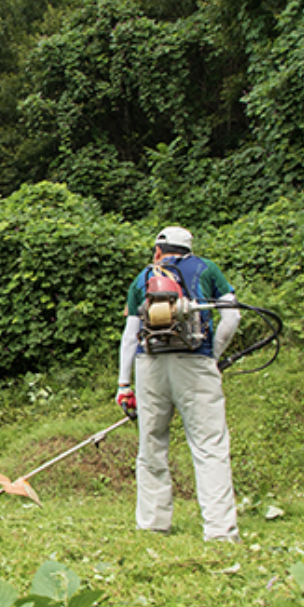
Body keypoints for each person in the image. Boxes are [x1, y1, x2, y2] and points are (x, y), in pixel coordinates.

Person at [116, 226, 242, 543]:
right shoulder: (206, 268)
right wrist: (213, 354)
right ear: (189, 248)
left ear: (159, 250)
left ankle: (153, 523)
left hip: (150, 364)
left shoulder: (143, 278)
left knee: (151, 444)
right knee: (209, 446)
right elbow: (233, 316)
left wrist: (124, 384)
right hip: (195, 362)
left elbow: (130, 336)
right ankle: (219, 531)